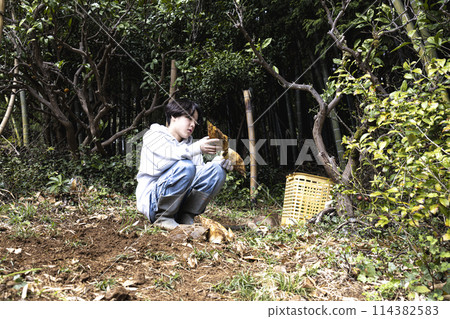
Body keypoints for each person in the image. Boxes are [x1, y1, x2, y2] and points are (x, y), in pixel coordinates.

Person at [136, 99, 232, 230]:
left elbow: (196, 175)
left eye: (195, 121)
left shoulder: (190, 145)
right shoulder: (154, 135)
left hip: (179, 204)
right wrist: (196, 148)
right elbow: (169, 159)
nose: (192, 125)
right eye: (189, 118)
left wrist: (218, 163)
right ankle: (164, 218)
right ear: (174, 116)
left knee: (217, 171)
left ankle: (186, 216)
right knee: (186, 166)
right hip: (153, 203)